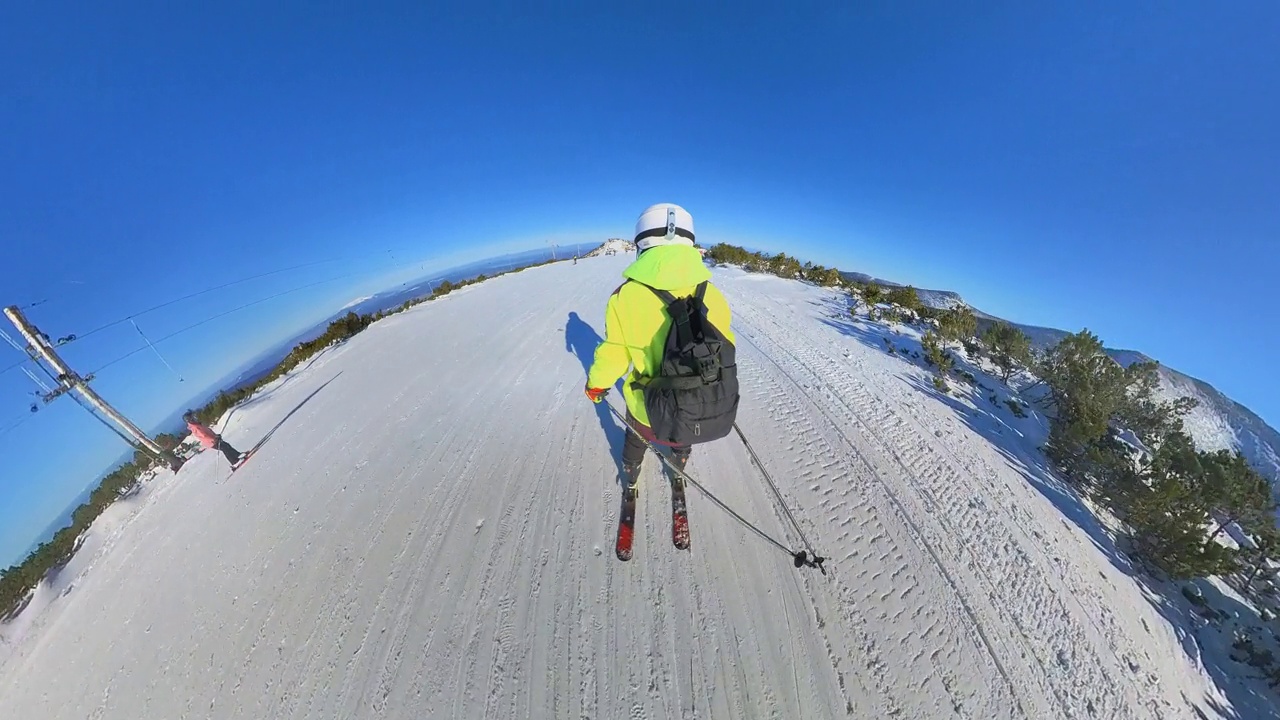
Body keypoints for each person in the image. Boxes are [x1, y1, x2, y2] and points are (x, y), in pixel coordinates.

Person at [585, 203, 737, 489]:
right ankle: (678, 468)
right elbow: (726, 344)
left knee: (636, 435)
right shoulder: (712, 292)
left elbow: (615, 354)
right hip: (697, 403)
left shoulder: (626, 296)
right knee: (683, 436)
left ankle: (631, 476)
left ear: (642, 242)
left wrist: (596, 384)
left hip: (650, 406)